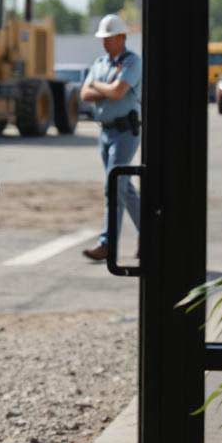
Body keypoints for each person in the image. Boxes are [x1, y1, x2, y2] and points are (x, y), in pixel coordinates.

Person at [80, 13, 142, 262]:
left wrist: (100, 87)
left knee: (114, 185)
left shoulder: (132, 62)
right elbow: (84, 93)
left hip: (125, 131)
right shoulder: (100, 63)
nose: (105, 43)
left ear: (122, 37)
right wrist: (103, 88)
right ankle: (149, 233)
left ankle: (107, 243)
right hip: (105, 130)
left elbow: (118, 92)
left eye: (109, 38)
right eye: (103, 38)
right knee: (123, 187)